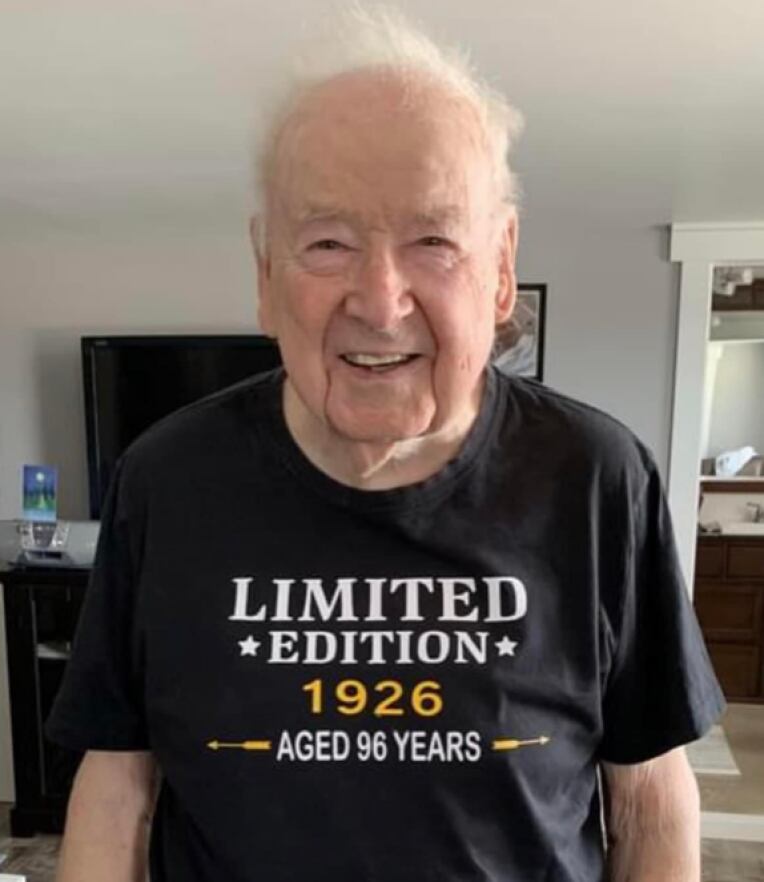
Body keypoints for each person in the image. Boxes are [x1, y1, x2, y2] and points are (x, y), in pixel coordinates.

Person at [47, 6, 724, 881]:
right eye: (327, 242)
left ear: (501, 267)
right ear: (264, 272)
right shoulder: (166, 480)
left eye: (433, 241)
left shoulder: (597, 478)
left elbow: (649, 797)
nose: (380, 299)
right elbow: (118, 784)